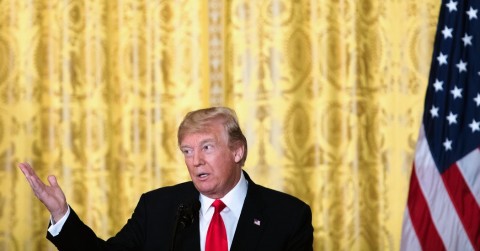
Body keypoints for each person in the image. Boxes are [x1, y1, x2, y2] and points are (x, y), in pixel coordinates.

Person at [19, 106, 314, 251]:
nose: (195, 160)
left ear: (237, 150)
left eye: (207, 148)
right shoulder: (158, 208)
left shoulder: (287, 216)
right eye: (187, 150)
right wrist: (60, 213)